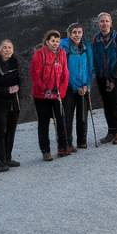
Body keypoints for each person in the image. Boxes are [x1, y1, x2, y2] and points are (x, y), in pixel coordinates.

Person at [30, 29, 69, 161]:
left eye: (57, 41)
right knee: (44, 122)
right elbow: (36, 75)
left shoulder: (62, 54)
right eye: (52, 41)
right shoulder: (39, 55)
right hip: (42, 96)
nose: (55, 44)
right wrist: (45, 90)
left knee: (60, 120)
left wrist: (62, 91)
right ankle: (45, 151)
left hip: (57, 94)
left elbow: (65, 73)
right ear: (47, 41)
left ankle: (63, 147)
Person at [0, 39, 22, 172]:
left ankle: (8, 157)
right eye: (5, 47)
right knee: (1, 132)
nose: (7, 50)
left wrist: (18, 92)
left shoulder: (16, 63)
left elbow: (21, 81)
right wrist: (7, 90)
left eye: (10, 47)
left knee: (11, 131)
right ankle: (1, 162)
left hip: (14, 102)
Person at [91, 12, 117, 145]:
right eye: (101, 21)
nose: (104, 24)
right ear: (98, 24)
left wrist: (112, 77)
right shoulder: (95, 40)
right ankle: (111, 131)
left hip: (116, 75)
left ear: (111, 23)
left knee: (116, 103)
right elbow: (94, 58)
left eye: (106, 21)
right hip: (101, 76)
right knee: (107, 104)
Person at [61, 23, 92, 151]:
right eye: (74, 32)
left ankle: (82, 141)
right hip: (69, 88)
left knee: (83, 115)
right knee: (67, 116)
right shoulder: (64, 49)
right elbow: (64, 71)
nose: (77, 35)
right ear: (69, 34)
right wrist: (74, 86)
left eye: (79, 32)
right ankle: (68, 143)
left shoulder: (86, 48)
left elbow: (90, 68)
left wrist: (87, 84)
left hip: (84, 87)